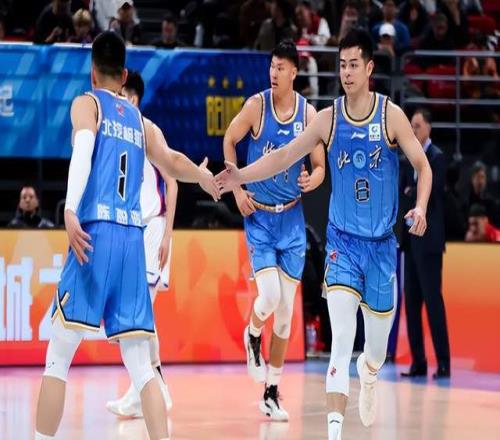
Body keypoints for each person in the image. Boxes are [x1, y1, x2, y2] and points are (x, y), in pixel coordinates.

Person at [217, 28, 432, 440]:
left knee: (374, 350)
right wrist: (239, 177)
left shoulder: (390, 116)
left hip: (381, 247)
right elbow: (284, 155)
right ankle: (332, 432)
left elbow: (423, 167)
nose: (346, 72)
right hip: (341, 245)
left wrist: (420, 206)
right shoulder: (327, 118)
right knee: (340, 340)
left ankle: (369, 372)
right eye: (342, 65)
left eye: (353, 65)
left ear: (369, 68)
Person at [34, 31, 220, 440]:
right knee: (141, 365)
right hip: (133, 242)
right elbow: (171, 161)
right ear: (123, 75)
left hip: (95, 234)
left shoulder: (87, 103)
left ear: (93, 73)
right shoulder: (140, 120)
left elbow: (84, 150)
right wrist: (204, 177)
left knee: (58, 357)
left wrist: (69, 207)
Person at [223, 39, 325, 421]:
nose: (274, 72)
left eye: (281, 67)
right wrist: (237, 190)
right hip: (261, 218)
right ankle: (252, 334)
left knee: (285, 315)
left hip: (292, 220)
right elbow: (229, 140)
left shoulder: (308, 113)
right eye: (272, 66)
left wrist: (314, 179)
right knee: (268, 296)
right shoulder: (256, 106)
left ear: (294, 72)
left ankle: (271, 391)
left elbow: (319, 165)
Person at [105, 71, 177, 417]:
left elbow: (173, 183)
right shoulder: (118, 134)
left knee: (139, 313)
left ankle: (146, 391)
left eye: (122, 95)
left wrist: (168, 235)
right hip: (132, 232)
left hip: (153, 229)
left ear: (133, 98)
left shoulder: (150, 132)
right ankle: (154, 387)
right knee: (139, 316)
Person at [400, 108, 450, 379]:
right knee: (411, 303)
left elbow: (431, 192)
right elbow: (404, 192)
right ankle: (418, 361)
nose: (414, 130)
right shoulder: (408, 158)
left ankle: (443, 362)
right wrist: (411, 193)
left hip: (429, 243)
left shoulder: (437, 158)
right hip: (410, 241)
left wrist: (412, 193)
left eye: (417, 126)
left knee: (433, 302)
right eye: (411, 126)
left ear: (429, 127)